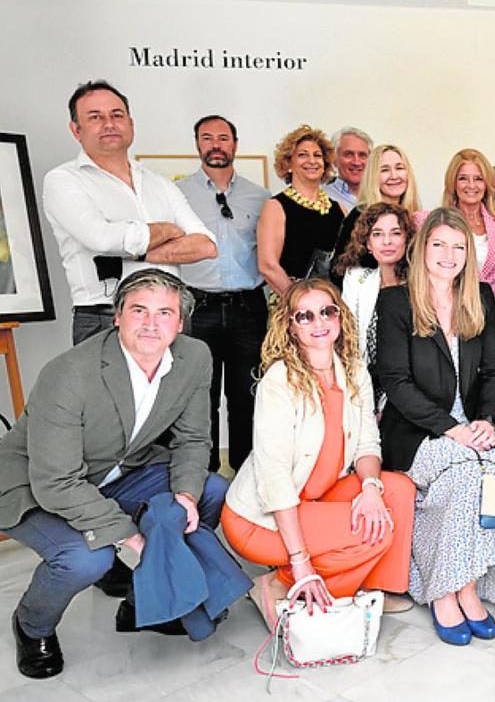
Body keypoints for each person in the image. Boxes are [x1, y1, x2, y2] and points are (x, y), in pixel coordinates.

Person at [0, 269, 231, 679]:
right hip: (34, 483)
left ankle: (145, 602)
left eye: (164, 313)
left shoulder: (195, 357)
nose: (150, 323)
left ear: (180, 323)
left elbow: (193, 440)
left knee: (211, 490)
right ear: (117, 317)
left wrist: (186, 498)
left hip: (120, 470)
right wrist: (131, 535)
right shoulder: (69, 372)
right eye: (138, 310)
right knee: (87, 557)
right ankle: (31, 624)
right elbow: (55, 481)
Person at [375, 207, 495, 646]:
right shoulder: (396, 301)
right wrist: (452, 428)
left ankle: (478, 579)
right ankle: (450, 590)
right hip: (418, 432)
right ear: (422, 248)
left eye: (459, 246)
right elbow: (395, 381)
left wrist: (485, 420)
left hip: (474, 426)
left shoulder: (481, 296)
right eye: (439, 244)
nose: (449, 255)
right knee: (467, 477)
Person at [223, 278, 416, 630]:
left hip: (318, 497)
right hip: (259, 517)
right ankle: (276, 584)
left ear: (340, 317)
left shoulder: (355, 371)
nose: (319, 322)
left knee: (398, 491)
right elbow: (275, 478)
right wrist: (299, 562)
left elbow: (367, 444)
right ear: (291, 327)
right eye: (305, 316)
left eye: (327, 311)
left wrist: (370, 488)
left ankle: (374, 588)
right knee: (374, 534)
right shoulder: (279, 381)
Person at [43, 80, 218, 344]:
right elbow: (100, 239)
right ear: (75, 130)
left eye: (116, 115)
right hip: (105, 316)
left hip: (171, 316)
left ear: (131, 124)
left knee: (178, 387)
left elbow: (206, 246)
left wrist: (131, 252)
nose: (109, 123)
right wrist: (168, 231)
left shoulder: (159, 183)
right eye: (95, 117)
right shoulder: (63, 180)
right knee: (107, 388)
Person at [175, 114, 270, 474]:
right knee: (202, 397)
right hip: (198, 306)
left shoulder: (259, 197)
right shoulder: (178, 195)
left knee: (248, 396)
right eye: (207, 137)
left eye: (223, 138)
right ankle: (205, 476)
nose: (215, 144)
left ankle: (246, 475)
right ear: (198, 144)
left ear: (235, 145)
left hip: (249, 308)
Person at [333, 202, 414, 408]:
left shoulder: (420, 285)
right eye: (377, 234)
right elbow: (348, 341)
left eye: (395, 233)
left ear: (407, 239)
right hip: (364, 385)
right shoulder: (357, 279)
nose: (387, 241)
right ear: (367, 243)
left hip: (411, 389)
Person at [257, 125, 348, 295]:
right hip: (292, 305)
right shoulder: (275, 206)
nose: (312, 161)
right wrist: (301, 301)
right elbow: (268, 266)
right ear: (288, 163)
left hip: (333, 302)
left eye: (318, 155)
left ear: (325, 164)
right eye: (302, 155)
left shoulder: (339, 209)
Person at [415, 149, 495, 297]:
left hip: (492, 308)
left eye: (478, 179)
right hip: (445, 306)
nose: (471, 185)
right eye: (463, 178)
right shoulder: (427, 221)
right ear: (453, 183)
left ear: (486, 184)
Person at [334, 143, 422, 263]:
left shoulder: (417, 217)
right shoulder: (360, 215)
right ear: (373, 176)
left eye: (399, 168)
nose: (394, 176)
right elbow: (339, 267)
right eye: (385, 170)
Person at [324, 126, 372, 209]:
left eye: (362, 155)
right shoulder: (322, 198)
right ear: (334, 159)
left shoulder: (382, 196)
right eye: (348, 155)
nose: (356, 162)